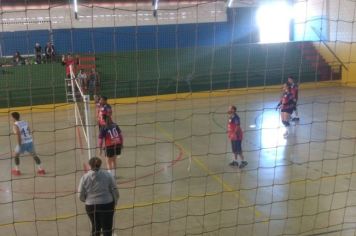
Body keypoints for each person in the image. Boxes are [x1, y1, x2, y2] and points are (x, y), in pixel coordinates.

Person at [78, 157, 119, 236]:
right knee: (107, 229)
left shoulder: (84, 177)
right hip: (107, 205)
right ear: (100, 165)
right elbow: (115, 190)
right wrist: (115, 201)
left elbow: (80, 194)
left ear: (90, 165)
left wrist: (86, 200)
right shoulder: (108, 175)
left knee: (95, 227)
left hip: (91, 206)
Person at [10, 112, 45, 176]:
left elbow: (18, 135)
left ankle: (17, 171)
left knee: (15, 155)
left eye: (11, 117)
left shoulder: (15, 125)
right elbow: (29, 131)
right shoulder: (25, 122)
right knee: (34, 155)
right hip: (30, 141)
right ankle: (41, 170)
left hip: (22, 143)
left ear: (14, 117)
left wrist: (19, 144)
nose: (11, 118)